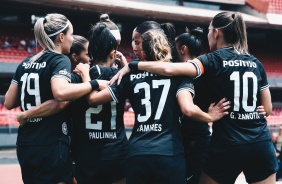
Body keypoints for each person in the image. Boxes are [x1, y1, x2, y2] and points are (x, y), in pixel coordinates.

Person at [111, 11, 278, 184]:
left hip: (229, 143)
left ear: (217, 32)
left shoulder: (213, 60)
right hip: (260, 142)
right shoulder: (256, 62)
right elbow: (267, 109)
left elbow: (169, 69)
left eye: (209, 30)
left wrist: (134, 65)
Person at [82, 27, 230, 184]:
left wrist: (86, 76)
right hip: (169, 153)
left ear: (143, 51)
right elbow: (188, 109)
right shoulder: (180, 76)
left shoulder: (130, 76)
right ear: (165, 47)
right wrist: (210, 116)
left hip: (137, 153)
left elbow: (93, 99)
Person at [4, 13, 100, 183]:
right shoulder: (59, 59)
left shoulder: (25, 62)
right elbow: (61, 93)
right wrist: (93, 84)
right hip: (50, 142)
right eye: (71, 34)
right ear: (61, 37)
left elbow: (9, 102)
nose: (72, 39)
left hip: (25, 142)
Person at [69, 23, 128, 184]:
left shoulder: (78, 76)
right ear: (112, 53)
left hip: (86, 155)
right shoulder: (121, 77)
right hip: (116, 152)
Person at [175, 27, 211, 184]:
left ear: (183, 49)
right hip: (198, 138)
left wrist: (210, 116)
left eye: (174, 47)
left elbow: (187, 109)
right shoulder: (208, 72)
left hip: (192, 140)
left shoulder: (180, 73)